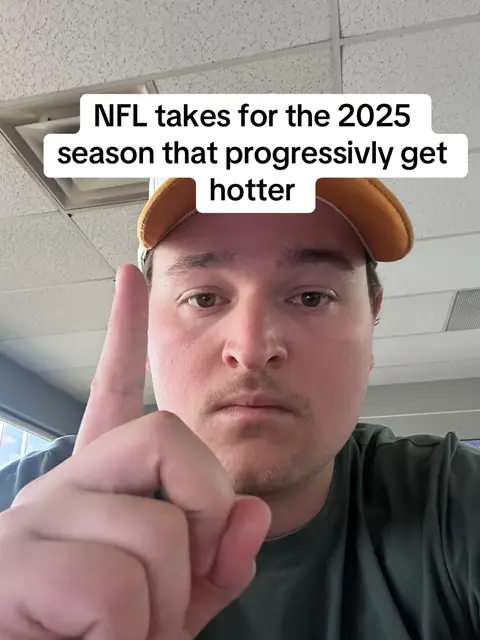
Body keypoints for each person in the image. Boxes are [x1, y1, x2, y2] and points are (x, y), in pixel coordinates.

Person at [0, 177, 479, 640]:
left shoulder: (454, 501)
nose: (251, 349)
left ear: (372, 319)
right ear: (144, 324)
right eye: (204, 298)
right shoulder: (25, 509)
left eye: (312, 297)